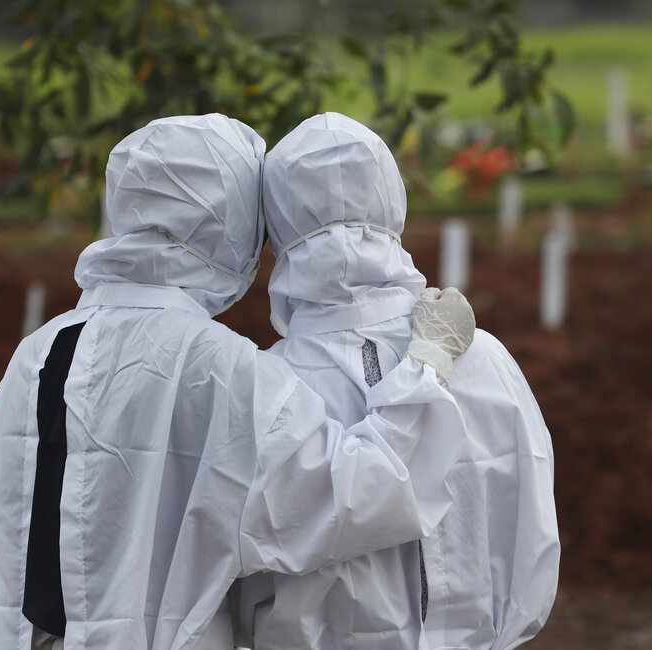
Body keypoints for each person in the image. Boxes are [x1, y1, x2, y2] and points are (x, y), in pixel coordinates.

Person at [0, 113, 477, 649]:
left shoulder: (36, 353)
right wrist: (428, 363)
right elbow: (358, 495)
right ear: (227, 222)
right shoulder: (213, 364)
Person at [233, 112, 560, 649]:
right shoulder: (485, 357)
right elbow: (531, 528)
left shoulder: (262, 385)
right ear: (392, 198)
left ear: (274, 226)